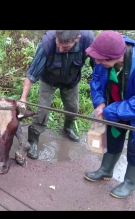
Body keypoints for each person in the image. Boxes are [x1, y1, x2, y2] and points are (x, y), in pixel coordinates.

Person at [84, 30, 135, 199]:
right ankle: (106, 170)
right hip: (115, 102)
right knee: (113, 137)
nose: (96, 61)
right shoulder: (104, 53)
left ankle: (129, 183)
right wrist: (100, 103)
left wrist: (108, 111)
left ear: (115, 57)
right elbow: (96, 79)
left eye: (100, 59)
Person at [19, 30, 95, 159]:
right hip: (48, 80)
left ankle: (67, 128)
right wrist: (23, 98)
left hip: (71, 81)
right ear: (56, 37)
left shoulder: (87, 40)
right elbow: (32, 73)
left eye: (65, 47)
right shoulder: (47, 43)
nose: (60, 49)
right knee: (42, 111)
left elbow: (98, 68)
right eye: (58, 44)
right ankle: (33, 139)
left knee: (73, 109)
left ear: (78, 39)